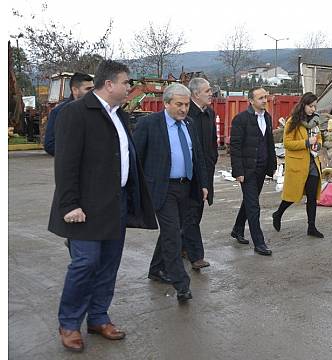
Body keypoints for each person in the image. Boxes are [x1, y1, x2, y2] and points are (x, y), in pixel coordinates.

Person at [48, 60, 157, 352]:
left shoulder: (118, 114)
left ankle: (97, 317)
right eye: (126, 83)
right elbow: (66, 162)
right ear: (109, 84)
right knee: (85, 264)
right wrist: (69, 204)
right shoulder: (76, 112)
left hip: (115, 203)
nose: (129, 87)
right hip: (84, 208)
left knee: (108, 264)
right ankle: (69, 323)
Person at [132, 83, 209, 302]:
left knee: (174, 230)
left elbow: (198, 156)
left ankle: (156, 269)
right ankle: (181, 283)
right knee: (173, 234)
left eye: (186, 104)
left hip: (186, 187)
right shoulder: (149, 124)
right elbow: (135, 157)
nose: (184, 109)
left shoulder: (190, 124)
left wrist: (203, 184)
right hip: (162, 188)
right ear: (166, 103)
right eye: (179, 104)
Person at [229, 87, 277, 256]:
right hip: (247, 170)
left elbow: (269, 143)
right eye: (261, 98)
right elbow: (234, 147)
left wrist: (273, 165)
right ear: (251, 101)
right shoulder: (240, 120)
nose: (265, 100)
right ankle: (259, 243)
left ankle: (237, 228)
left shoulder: (268, 118)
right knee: (253, 206)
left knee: (250, 201)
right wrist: (238, 171)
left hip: (262, 168)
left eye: (266, 97)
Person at [271, 92, 324, 238]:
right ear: (303, 105)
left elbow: (319, 138)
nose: (313, 109)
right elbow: (287, 143)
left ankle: (311, 227)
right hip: (298, 164)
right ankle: (278, 213)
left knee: (312, 197)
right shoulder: (293, 121)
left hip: (313, 163)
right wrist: (306, 143)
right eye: (310, 106)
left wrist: (318, 144)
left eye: (315, 106)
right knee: (293, 195)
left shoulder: (315, 121)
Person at [181, 77, 218, 270]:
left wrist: (212, 160)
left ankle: (183, 246)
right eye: (207, 90)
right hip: (190, 173)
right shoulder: (187, 115)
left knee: (197, 212)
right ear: (196, 94)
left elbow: (213, 142)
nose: (211, 93)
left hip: (206, 170)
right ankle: (196, 256)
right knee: (191, 213)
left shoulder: (209, 113)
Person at [44, 72, 94, 156]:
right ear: (75, 90)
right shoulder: (59, 112)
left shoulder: (98, 110)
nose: (92, 92)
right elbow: (50, 145)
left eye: (93, 89)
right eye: (88, 89)